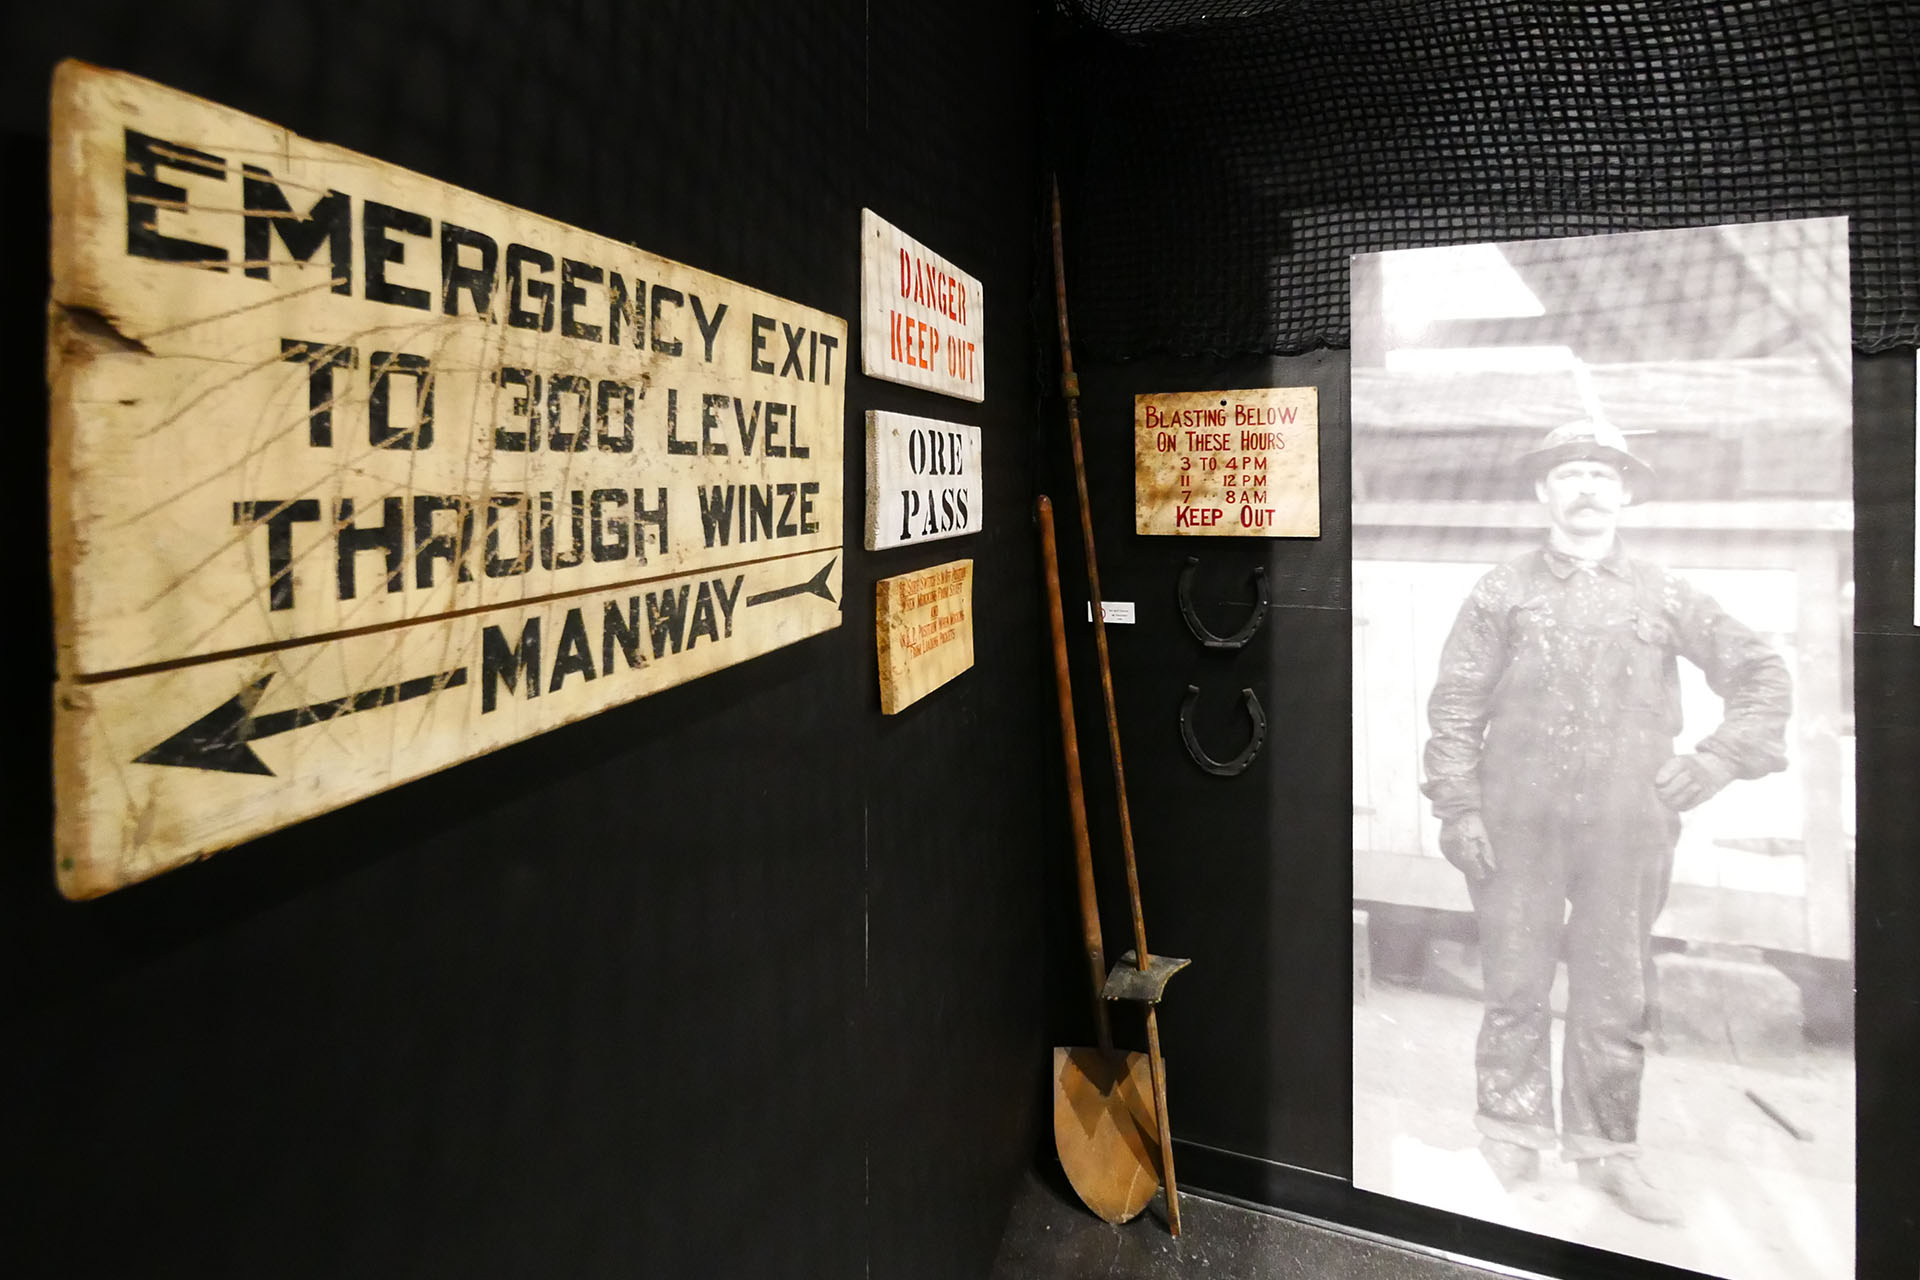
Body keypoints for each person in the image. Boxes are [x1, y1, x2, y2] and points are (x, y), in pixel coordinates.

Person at [1421, 419, 1791, 1226]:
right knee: (1514, 984)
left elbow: (1760, 670)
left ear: (1625, 493)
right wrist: (1458, 805)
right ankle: (1509, 1143)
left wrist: (1719, 758)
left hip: (1628, 827)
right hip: (1515, 824)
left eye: (1601, 473)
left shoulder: (1663, 592)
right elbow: (1455, 708)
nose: (1586, 486)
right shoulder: (1501, 590)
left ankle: (1606, 1153)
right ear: (1541, 493)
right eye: (1569, 473)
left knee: (1615, 990)